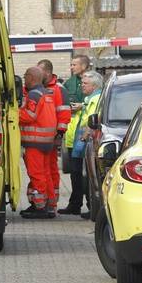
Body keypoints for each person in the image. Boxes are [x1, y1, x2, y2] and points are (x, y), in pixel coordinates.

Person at [59, 70, 103, 218]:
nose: (82, 86)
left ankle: (91, 207)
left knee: (84, 176)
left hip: (85, 140)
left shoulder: (95, 99)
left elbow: (92, 119)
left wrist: (85, 136)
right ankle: (77, 204)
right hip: (78, 140)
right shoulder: (89, 98)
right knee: (77, 174)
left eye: (85, 84)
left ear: (94, 85)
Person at [19, 66, 58, 219]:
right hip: (47, 141)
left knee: (36, 174)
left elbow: (29, 115)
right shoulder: (47, 93)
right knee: (46, 173)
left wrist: (12, 112)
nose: (24, 79)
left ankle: (40, 207)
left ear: (32, 77)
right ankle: (49, 206)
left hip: (35, 141)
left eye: (25, 76)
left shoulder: (34, 94)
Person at [38, 60, 71, 215]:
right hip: (40, 138)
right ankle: (45, 200)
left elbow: (64, 113)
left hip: (52, 137)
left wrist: (60, 134)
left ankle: (52, 202)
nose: (38, 74)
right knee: (42, 170)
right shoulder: (39, 88)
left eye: (40, 71)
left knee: (51, 169)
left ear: (48, 72)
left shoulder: (59, 89)